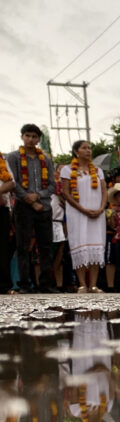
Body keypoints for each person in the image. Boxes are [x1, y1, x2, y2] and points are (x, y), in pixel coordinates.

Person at [6, 123, 56, 293]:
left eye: (34, 136)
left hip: (44, 207)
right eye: (27, 135)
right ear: (22, 137)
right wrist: (30, 199)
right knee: (23, 246)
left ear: (38, 139)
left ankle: (45, 284)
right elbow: (13, 183)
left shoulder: (46, 159)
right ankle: (24, 284)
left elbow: (52, 186)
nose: (30, 139)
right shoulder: (13, 157)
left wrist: (38, 195)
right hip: (23, 206)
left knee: (46, 247)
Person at [59, 140, 107, 293]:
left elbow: (105, 191)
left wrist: (101, 208)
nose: (88, 151)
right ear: (76, 152)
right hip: (77, 213)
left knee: (95, 246)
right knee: (80, 244)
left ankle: (93, 285)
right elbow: (65, 193)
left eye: (89, 148)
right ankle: (82, 284)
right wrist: (83, 209)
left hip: (97, 213)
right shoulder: (67, 170)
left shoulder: (98, 171)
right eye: (84, 148)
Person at [0, 152, 15, 294]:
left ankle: (4, 286)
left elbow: (11, 182)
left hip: (1, 208)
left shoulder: (2, 160)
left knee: (3, 248)